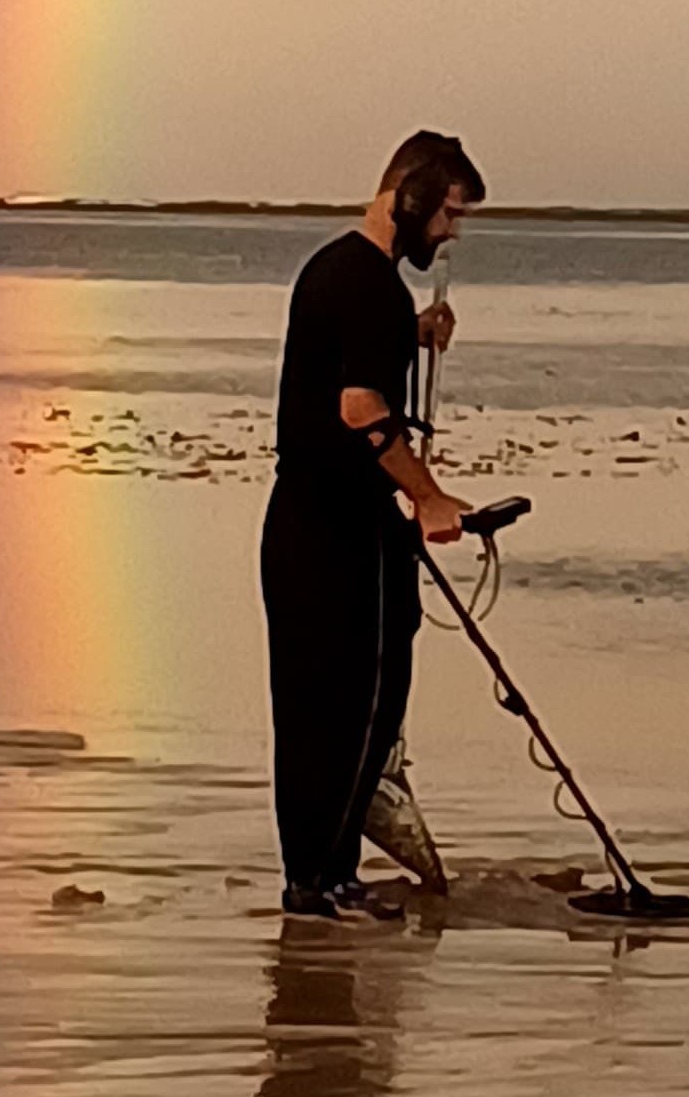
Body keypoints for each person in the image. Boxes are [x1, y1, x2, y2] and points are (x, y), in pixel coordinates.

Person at [260, 130, 484, 919]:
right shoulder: (366, 285)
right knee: (350, 701)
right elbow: (360, 409)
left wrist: (410, 336)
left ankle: (317, 874)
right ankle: (324, 878)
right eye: (450, 213)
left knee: (324, 699)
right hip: (334, 525)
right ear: (411, 197)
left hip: (309, 522)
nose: (452, 232)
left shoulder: (343, 272)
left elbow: (341, 366)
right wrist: (428, 495)